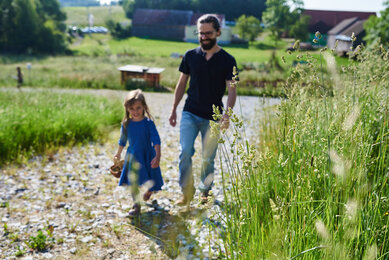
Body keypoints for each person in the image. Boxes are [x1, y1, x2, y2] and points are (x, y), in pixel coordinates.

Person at [169, 14, 238, 206]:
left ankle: (205, 192)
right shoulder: (190, 56)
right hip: (189, 112)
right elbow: (181, 84)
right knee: (184, 152)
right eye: (201, 33)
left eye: (208, 33)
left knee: (208, 158)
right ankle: (186, 192)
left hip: (213, 117)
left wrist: (227, 116)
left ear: (218, 32)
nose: (204, 37)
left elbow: (232, 91)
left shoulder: (228, 60)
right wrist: (174, 109)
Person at [114, 89, 163, 217]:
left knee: (148, 178)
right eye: (132, 108)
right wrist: (118, 153)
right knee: (132, 180)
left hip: (147, 155)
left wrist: (157, 156)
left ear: (144, 107)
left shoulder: (148, 123)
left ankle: (148, 190)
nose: (135, 111)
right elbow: (122, 140)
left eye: (138, 108)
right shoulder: (126, 124)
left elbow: (156, 140)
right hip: (132, 156)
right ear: (127, 109)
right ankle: (136, 205)